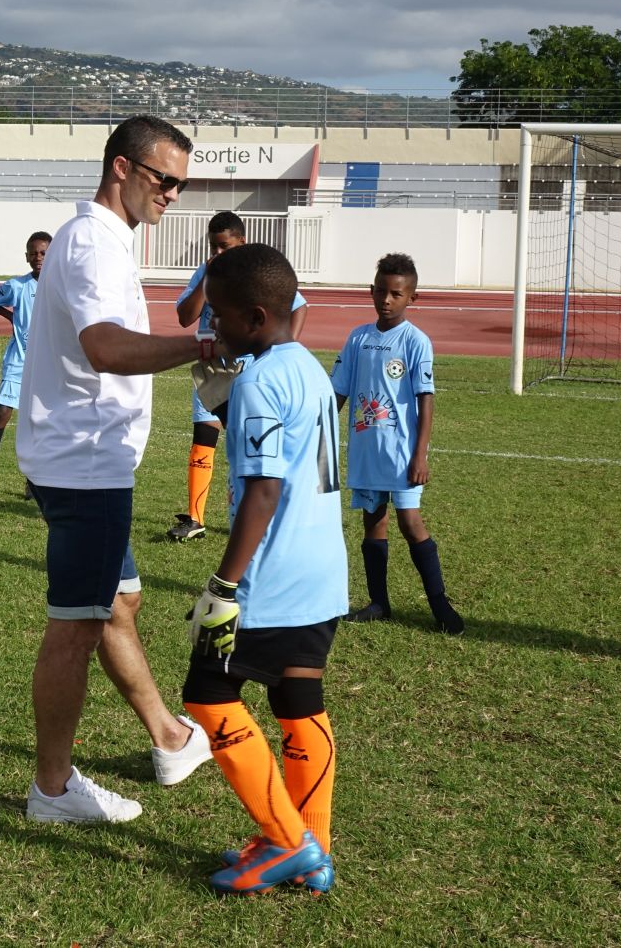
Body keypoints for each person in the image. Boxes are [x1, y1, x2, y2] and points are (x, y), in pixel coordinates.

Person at [17, 115, 216, 824]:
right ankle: (52, 789)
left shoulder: (100, 239)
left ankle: (169, 737)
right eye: (165, 179)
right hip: (84, 464)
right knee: (77, 624)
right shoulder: (94, 243)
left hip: (85, 459)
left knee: (119, 602)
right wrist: (202, 347)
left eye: (181, 184)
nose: (173, 194)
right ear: (123, 168)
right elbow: (104, 347)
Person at [179, 242, 345, 896]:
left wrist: (224, 585)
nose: (212, 325)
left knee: (207, 694)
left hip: (271, 579)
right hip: (322, 571)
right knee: (298, 700)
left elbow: (264, 490)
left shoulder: (258, 380)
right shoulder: (306, 365)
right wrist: (226, 403)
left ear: (254, 317)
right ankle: (315, 847)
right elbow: (304, 461)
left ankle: (286, 842)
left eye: (219, 314)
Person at [331, 253, 464, 634]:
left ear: (412, 298)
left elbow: (426, 399)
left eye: (396, 294)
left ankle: (440, 605)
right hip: (366, 450)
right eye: (380, 291)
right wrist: (315, 430)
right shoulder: (358, 338)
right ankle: (378, 602)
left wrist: (420, 455)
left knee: (410, 522)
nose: (386, 300)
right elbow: (337, 393)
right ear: (371, 291)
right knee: (373, 521)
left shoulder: (415, 341)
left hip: (402, 452)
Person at [168, 211, 308, 541]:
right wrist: (207, 279)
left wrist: (284, 349)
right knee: (203, 438)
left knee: (252, 444)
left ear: (241, 242)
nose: (218, 253)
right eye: (213, 247)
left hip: (250, 369)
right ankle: (195, 519)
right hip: (212, 367)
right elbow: (185, 317)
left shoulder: (257, 272)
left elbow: (299, 306)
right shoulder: (205, 271)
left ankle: (259, 515)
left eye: (225, 247)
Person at [0, 231, 50, 503]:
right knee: (2, 414)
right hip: (18, 361)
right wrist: (11, 317)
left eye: (44, 253)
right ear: (26, 257)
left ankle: (33, 480)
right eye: (33, 253)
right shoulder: (17, 286)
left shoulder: (61, 286)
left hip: (46, 365)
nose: (38, 258)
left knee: (39, 422)